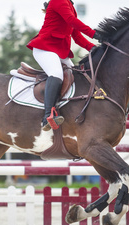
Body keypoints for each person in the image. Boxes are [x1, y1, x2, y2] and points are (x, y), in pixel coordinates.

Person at [27, 0, 101, 131]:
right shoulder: (59, 1)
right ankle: (47, 117)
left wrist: (94, 48)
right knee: (56, 74)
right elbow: (72, 21)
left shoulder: (70, 6)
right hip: (45, 47)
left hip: (59, 51)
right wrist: (95, 34)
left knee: (76, 76)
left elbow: (77, 36)